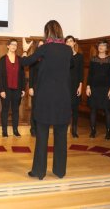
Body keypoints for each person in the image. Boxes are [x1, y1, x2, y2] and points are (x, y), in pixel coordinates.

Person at [21, 20, 72, 180]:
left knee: (42, 136)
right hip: (63, 98)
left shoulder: (44, 48)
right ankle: (59, 171)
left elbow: (25, 62)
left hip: (45, 98)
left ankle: (39, 171)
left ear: (47, 32)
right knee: (61, 137)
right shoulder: (68, 50)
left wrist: (24, 50)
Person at [86, 40, 110, 140]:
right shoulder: (93, 59)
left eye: (103, 45)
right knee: (93, 109)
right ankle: (93, 130)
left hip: (106, 88)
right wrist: (88, 86)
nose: (101, 47)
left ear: (107, 48)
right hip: (94, 88)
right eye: (99, 45)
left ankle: (108, 132)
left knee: (107, 110)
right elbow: (90, 74)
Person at [0, 39, 26, 137]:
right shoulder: (2, 60)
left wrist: (23, 88)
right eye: (12, 44)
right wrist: (1, 90)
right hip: (6, 90)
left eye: (16, 45)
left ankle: (15, 130)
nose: (14, 46)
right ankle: (4, 131)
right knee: (5, 110)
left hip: (17, 89)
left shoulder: (20, 59)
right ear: (8, 46)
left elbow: (23, 75)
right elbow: (0, 76)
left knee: (16, 110)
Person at [65, 35, 84, 138]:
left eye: (71, 41)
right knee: (65, 109)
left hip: (76, 86)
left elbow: (81, 73)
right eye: (67, 42)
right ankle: (64, 129)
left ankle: (74, 130)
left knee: (75, 109)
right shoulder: (63, 57)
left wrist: (80, 86)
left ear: (74, 43)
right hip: (65, 86)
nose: (69, 43)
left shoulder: (80, 57)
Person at [28, 40, 44, 137]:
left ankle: (40, 129)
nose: (41, 47)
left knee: (42, 109)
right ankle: (33, 129)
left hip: (45, 88)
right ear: (37, 47)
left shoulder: (47, 58)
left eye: (43, 45)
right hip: (35, 87)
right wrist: (30, 87)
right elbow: (31, 74)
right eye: (40, 45)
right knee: (35, 108)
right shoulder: (34, 58)